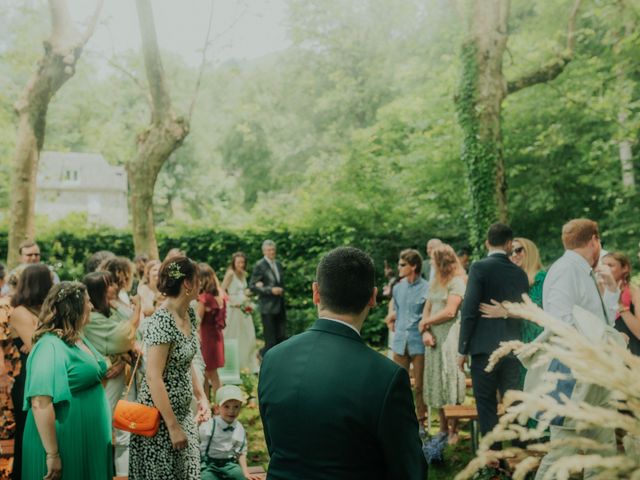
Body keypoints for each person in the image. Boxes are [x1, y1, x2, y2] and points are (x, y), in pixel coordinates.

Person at [258, 246, 426, 480]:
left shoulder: (273, 358)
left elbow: (274, 445)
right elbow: (410, 470)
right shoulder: (387, 377)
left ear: (316, 293)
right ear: (373, 297)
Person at [534, 219, 620, 479]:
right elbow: (562, 323)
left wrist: (613, 291)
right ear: (594, 240)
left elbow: (598, 321)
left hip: (595, 374)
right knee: (562, 452)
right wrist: (602, 343)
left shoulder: (581, 270)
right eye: (599, 243)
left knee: (604, 451)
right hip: (572, 374)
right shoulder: (566, 270)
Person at [129, 256, 211, 480]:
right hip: (160, 420)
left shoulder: (189, 313)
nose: (200, 284)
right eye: (197, 279)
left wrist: (201, 396)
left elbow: (187, 360)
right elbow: (154, 377)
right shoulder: (161, 321)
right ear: (187, 283)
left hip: (184, 413)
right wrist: (172, 426)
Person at [22, 282, 113, 480]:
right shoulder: (49, 346)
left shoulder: (75, 338)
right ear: (75, 308)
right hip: (65, 440)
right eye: (88, 302)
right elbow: (40, 402)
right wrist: (53, 453)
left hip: (88, 438)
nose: (92, 307)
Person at [458, 223, 529, 449]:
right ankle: (520, 457)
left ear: (487, 243)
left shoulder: (479, 268)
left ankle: (494, 464)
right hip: (512, 348)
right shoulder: (519, 273)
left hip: (483, 349)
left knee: (487, 406)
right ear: (509, 244)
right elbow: (524, 311)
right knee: (513, 404)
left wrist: (462, 349)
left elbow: (469, 310)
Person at [82, 271, 141, 476]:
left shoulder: (110, 310)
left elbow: (131, 337)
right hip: (107, 380)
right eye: (108, 285)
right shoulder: (92, 318)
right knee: (106, 430)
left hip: (122, 376)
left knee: (126, 430)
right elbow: (123, 337)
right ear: (98, 290)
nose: (114, 287)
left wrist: (123, 356)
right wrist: (138, 309)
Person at [419, 244, 466, 444]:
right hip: (433, 339)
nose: (431, 264)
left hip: (449, 336)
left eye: (434, 260)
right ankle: (443, 428)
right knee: (437, 379)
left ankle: (454, 429)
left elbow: (450, 311)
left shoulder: (457, 282)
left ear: (442, 261)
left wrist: (426, 323)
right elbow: (427, 307)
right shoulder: (435, 282)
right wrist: (425, 331)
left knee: (450, 378)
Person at [10, 263, 53, 480]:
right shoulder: (19, 312)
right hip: (28, 377)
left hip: (46, 372)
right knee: (28, 431)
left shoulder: (44, 311)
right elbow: (35, 345)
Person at [384, 249, 427, 424]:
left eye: (402, 265)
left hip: (419, 342)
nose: (399, 268)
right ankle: (402, 419)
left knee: (419, 385)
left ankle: (421, 420)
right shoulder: (397, 288)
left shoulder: (427, 287)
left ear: (414, 266)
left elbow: (428, 314)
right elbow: (396, 310)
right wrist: (391, 319)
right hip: (400, 341)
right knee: (399, 384)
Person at [199, 385, 261, 480]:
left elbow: (241, 452)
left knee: (239, 476)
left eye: (236, 406)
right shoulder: (210, 425)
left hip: (229, 464)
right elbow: (199, 445)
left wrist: (245, 472)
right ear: (217, 408)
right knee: (206, 478)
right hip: (209, 464)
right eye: (226, 406)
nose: (231, 411)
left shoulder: (239, 428)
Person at [221, 252, 258, 373]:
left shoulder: (243, 274)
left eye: (243, 262)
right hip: (233, 309)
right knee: (232, 335)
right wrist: (231, 302)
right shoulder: (230, 274)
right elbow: (222, 291)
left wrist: (247, 296)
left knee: (248, 334)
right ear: (234, 262)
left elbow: (243, 290)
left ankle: (246, 363)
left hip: (243, 308)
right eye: (238, 262)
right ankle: (230, 364)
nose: (241, 265)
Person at [250, 240, 286, 356]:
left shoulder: (278, 264)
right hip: (267, 307)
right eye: (269, 250)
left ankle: (279, 362)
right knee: (270, 340)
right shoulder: (259, 265)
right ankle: (264, 358)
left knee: (281, 337)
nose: (272, 252)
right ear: (264, 251)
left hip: (280, 305)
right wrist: (270, 290)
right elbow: (252, 286)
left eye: (273, 250)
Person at [197, 263, 226, 400]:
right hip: (216, 337)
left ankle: (217, 403)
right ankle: (210, 402)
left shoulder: (205, 298)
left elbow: (198, 320)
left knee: (209, 374)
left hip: (206, 337)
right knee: (210, 374)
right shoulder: (220, 294)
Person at [603, 252, 640, 355]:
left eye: (610, 265)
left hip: (633, 358)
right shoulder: (598, 292)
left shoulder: (635, 293)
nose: (605, 269)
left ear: (625, 268)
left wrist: (620, 305)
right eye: (603, 265)